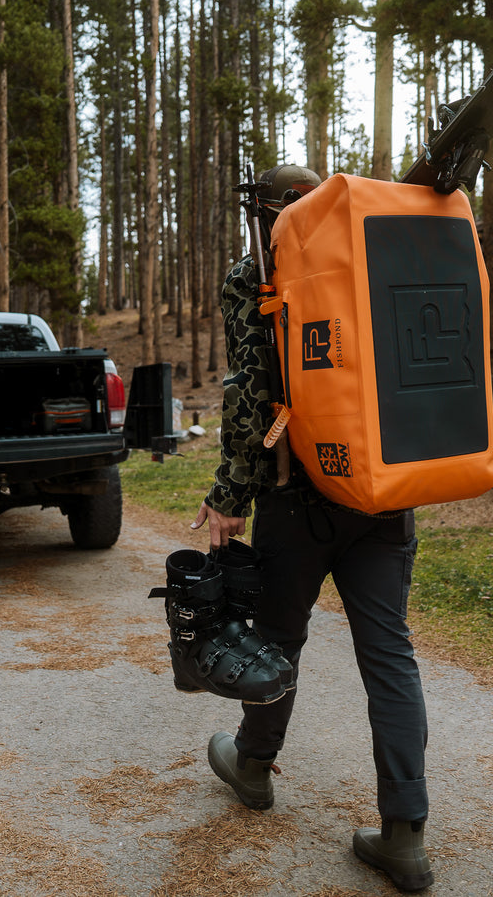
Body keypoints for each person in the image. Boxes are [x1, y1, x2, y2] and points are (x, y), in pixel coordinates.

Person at [190, 165, 433, 893]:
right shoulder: (370, 259)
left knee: (278, 637)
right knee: (389, 655)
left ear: (265, 215)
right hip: (383, 493)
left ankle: (254, 767)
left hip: (298, 498)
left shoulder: (258, 278)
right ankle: (404, 834)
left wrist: (232, 493)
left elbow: (252, 395)